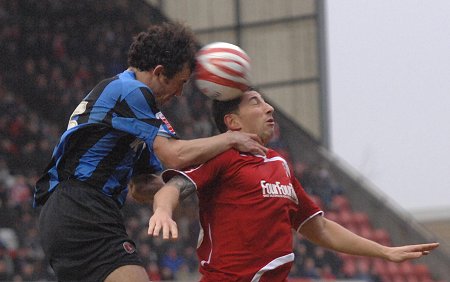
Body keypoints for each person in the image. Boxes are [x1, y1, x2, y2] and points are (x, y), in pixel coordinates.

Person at [34, 22, 267, 282]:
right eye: (180, 83)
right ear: (158, 72)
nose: (179, 94)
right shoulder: (131, 91)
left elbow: (141, 186)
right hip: (80, 208)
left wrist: (195, 185)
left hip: (74, 212)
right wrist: (230, 139)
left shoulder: (138, 116)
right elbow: (174, 155)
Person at [149, 89, 439, 281]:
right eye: (255, 102)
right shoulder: (222, 156)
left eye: (265, 101)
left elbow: (319, 227)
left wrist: (385, 252)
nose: (269, 107)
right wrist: (163, 211)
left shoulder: (280, 164)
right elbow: (171, 188)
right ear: (232, 122)